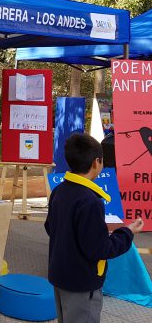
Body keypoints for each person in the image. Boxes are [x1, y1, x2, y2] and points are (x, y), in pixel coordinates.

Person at [45, 133, 144, 323]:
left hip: (60, 275)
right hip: (82, 282)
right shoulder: (90, 201)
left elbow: (51, 227)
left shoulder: (59, 190)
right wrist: (128, 231)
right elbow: (100, 249)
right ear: (96, 162)